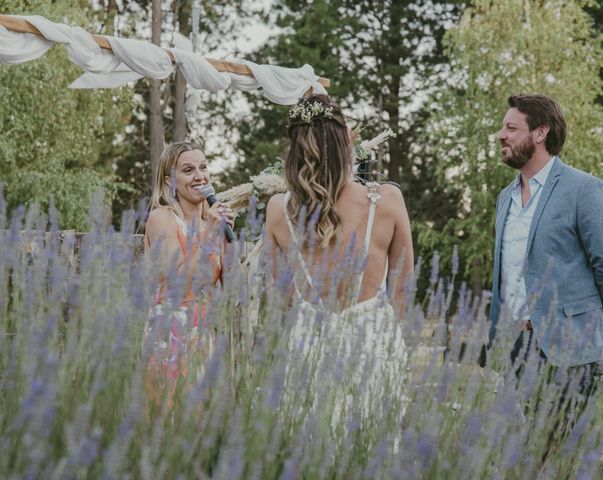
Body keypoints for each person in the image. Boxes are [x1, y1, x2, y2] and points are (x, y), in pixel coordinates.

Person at [264, 94, 413, 443]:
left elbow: (281, 299)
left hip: (308, 345)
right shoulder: (387, 201)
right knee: (370, 450)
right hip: (373, 343)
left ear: (295, 146)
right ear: (348, 137)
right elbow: (403, 290)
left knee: (311, 452)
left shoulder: (277, 210)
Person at [488, 94, 603, 446]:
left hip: (572, 346)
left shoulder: (585, 189)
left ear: (540, 133)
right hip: (517, 345)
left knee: (563, 454)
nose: (500, 135)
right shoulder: (505, 197)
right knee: (528, 451)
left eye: (511, 128)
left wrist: (592, 326)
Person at [144, 141, 234, 409]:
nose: (200, 176)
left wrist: (228, 240)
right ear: (170, 181)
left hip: (203, 336)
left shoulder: (213, 222)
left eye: (203, 167)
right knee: (169, 427)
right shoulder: (162, 219)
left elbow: (234, 289)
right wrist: (209, 235)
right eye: (188, 170)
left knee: (199, 432)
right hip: (169, 337)